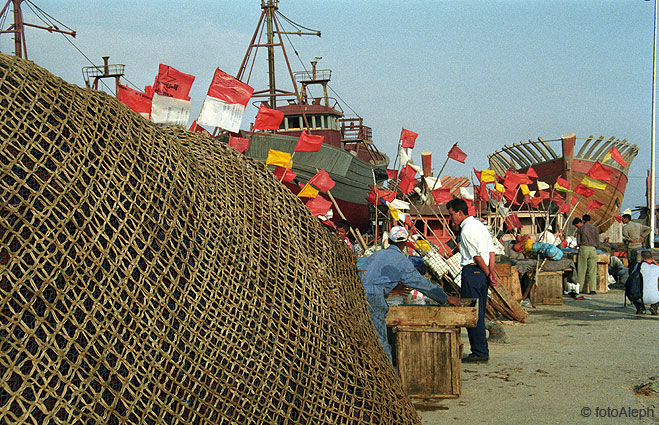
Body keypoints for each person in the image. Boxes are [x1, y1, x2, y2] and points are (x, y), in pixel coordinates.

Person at [361, 226, 461, 362]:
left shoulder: (376, 255)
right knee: (380, 341)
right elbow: (421, 283)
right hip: (374, 298)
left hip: (358, 294)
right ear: (405, 243)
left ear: (389, 241)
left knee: (363, 336)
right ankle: (387, 377)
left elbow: (367, 275)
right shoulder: (402, 261)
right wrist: (445, 297)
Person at [446, 198, 498, 363]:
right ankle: (481, 350)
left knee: (473, 314)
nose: (451, 218)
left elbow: (477, 257)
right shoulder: (480, 226)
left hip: (473, 272)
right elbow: (491, 251)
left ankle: (480, 352)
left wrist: (488, 272)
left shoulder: (467, 231)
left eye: (451, 214)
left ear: (460, 213)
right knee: (479, 312)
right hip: (482, 273)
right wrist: (490, 272)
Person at [572, 215, 599, 295]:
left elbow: (578, 241)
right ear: (590, 220)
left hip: (584, 248)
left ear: (583, 220)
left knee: (581, 269)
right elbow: (597, 241)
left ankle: (579, 289)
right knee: (592, 270)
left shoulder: (580, 229)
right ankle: (593, 290)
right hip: (593, 249)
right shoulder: (595, 228)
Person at [627, 250, 659, 315]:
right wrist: (655, 262)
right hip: (655, 298)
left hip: (640, 297)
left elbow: (631, 277)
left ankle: (640, 307)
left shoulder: (638, 266)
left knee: (631, 290)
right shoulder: (657, 268)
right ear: (652, 258)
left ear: (642, 258)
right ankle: (654, 306)